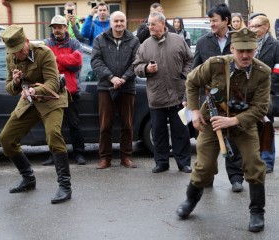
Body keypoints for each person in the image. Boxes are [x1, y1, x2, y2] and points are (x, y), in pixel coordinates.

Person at [176, 27, 271, 233]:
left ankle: (257, 211)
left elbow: (261, 108)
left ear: (256, 49)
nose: (245, 55)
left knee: (254, 165)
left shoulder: (262, 72)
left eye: (250, 50)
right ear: (232, 48)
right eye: (241, 51)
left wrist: (233, 121)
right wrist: (194, 111)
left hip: (244, 124)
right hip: (212, 120)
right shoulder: (216, 64)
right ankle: (190, 201)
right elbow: (192, 81)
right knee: (204, 167)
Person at [0, 25, 72, 204]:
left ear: (27, 42)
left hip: (50, 98)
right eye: (13, 52)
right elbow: (10, 88)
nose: (17, 55)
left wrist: (33, 89)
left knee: (53, 136)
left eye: (19, 50)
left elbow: (53, 83)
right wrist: (15, 82)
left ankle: (65, 186)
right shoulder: (11, 57)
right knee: (6, 139)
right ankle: (28, 178)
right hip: (29, 101)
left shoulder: (43, 53)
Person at [193, 3, 245, 192]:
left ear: (226, 20)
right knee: (207, 141)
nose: (211, 24)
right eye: (210, 21)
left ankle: (236, 178)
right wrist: (188, 100)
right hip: (209, 100)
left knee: (233, 138)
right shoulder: (202, 42)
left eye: (214, 20)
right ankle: (207, 176)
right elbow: (194, 73)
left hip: (234, 98)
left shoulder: (238, 39)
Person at [133, 11, 193, 174]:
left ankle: (183, 163)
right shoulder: (145, 45)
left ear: (162, 24)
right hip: (156, 95)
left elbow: (190, 59)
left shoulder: (178, 40)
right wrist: (146, 68)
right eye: (148, 25)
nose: (150, 27)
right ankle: (161, 162)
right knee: (158, 131)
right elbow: (136, 67)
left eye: (152, 24)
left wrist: (184, 74)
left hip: (178, 94)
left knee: (181, 130)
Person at [91, 11, 140, 169]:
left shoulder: (134, 40)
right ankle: (105, 158)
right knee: (105, 125)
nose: (119, 24)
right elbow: (96, 61)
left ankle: (126, 157)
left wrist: (124, 78)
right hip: (106, 86)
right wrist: (111, 77)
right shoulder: (100, 39)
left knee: (127, 124)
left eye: (122, 21)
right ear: (110, 22)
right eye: (116, 21)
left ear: (126, 22)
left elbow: (137, 62)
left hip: (127, 87)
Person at [43, 15, 86, 166]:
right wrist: (66, 60)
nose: (57, 30)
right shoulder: (46, 44)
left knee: (74, 124)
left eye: (60, 27)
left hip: (71, 91)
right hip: (52, 92)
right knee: (54, 127)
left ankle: (79, 154)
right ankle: (53, 155)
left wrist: (57, 59)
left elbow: (78, 63)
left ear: (66, 28)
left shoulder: (74, 43)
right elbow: (46, 65)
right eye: (54, 28)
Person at [249, 15, 279, 173]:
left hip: (267, 92)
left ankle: (267, 160)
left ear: (267, 26)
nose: (254, 29)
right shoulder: (249, 44)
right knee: (250, 125)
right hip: (248, 91)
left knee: (266, 125)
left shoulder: (275, 45)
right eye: (252, 26)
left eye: (257, 26)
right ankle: (253, 158)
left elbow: (278, 68)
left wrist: (268, 85)